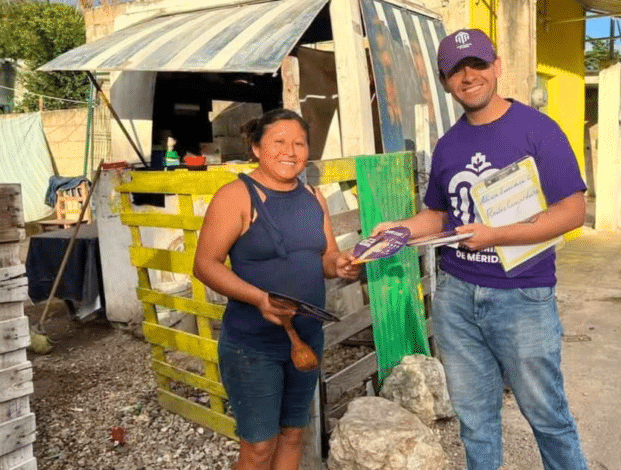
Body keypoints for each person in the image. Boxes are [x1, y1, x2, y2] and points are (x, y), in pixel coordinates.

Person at [372, 29, 589, 470]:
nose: (468, 76)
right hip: (456, 298)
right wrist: (400, 229)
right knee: (475, 419)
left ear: (497, 66)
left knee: (547, 416)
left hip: (523, 297)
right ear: (445, 80)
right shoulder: (449, 144)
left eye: (476, 64)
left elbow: (572, 212)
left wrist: (496, 235)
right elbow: (439, 215)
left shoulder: (538, 130)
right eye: (455, 69)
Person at [193, 109, 360, 470]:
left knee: (293, 435)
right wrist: (258, 298)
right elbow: (205, 264)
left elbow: (325, 258)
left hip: (306, 339)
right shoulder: (236, 196)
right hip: (253, 345)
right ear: (256, 148)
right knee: (258, 446)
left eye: (299, 143)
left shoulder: (313, 197)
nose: (291, 150)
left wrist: (341, 264)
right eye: (279, 142)